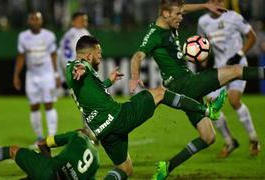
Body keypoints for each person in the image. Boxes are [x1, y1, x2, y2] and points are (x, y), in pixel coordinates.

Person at [129, 0, 265, 179]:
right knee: (235, 70)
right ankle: (213, 108)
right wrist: (135, 77)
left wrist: (205, 6)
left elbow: (182, 8)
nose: (181, 17)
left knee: (208, 137)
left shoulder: (168, 20)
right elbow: (137, 56)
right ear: (165, 14)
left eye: (181, 14)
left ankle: (167, 167)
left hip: (184, 90)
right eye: (178, 15)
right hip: (183, 84)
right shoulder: (155, 33)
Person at [66, 35, 225, 179]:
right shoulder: (78, 66)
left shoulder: (79, 74)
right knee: (160, 93)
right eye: (98, 52)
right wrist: (81, 68)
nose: (101, 56)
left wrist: (108, 81)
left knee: (125, 169)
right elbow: (80, 67)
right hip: (117, 117)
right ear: (88, 55)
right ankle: (206, 110)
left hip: (102, 130)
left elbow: (92, 90)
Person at [198, 0, 260, 158]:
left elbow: (252, 37)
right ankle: (229, 141)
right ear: (208, 3)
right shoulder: (203, 21)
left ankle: (253, 139)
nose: (219, 3)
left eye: (221, 0)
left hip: (238, 67)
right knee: (212, 106)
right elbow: (202, 43)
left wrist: (239, 54)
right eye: (215, 1)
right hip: (220, 70)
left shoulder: (234, 17)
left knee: (234, 100)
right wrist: (202, 58)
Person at [0, 130, 99, 180]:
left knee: (13, 150)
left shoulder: (78, 136)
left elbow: (42, 143)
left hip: (49, 170)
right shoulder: (96, 161)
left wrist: (45, 163)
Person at [13, 12, 61, 144]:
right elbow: (21, 56)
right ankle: (39, 137)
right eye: (32, 19)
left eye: (37, 19)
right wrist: (16, 75)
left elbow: (53, 55)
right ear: (29, 21)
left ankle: (51, 136)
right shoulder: (23, 36)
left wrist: (57, 74)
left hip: (47, 75)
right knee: (34, 106)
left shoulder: (49, 35)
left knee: (49, 104)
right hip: (32, 75)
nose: (35, 21)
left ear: (41, 21)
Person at [58, 12, 90, 83]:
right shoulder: (80, 33)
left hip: (69, 66)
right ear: (73, 22)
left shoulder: (68, 34)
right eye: (81, 21)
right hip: (77, 66)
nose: (84, 23)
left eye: (85, 20)